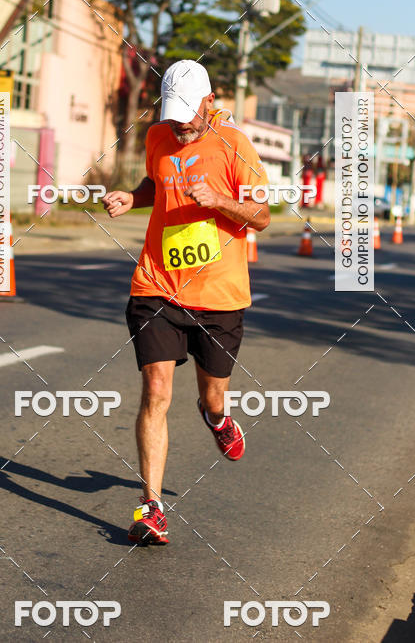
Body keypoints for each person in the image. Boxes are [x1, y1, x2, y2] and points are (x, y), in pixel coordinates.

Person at [103, 59, 270, 545]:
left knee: (211, 393)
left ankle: (216, 416)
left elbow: (261, 216)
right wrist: (132, 199)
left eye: (188, 115)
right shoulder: (159, 137)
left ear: (209, 102)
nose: (179, 124)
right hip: (157, 284)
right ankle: (151, 506)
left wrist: (220, 201)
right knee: (155, 391)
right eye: (171, 113)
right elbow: (157, 184)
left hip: (219, 295)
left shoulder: (236, 147)